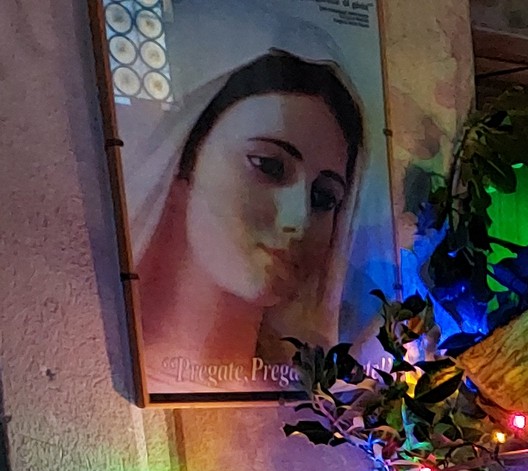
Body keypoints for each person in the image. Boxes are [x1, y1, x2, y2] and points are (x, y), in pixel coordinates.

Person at [121, 12, 372, 394]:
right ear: (184, 163)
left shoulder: (315, 404)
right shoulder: (102, 359)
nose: (299, 218)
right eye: (269, 166)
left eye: (324, 198)